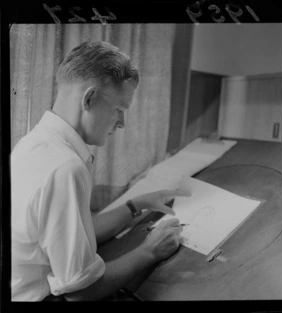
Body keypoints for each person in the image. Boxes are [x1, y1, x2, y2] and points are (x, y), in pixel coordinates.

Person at [11, 41, 189, 301]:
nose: (122, 123)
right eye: (119, 110)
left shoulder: (33, 144)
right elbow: (81, 293)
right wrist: (150, 251)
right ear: (89, 98)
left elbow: (78, 232)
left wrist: (136, 204)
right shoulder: (65, 168)